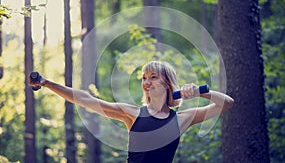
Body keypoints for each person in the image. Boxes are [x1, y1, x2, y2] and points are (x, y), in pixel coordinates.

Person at [28, 61, 234, 163]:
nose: (146, 82)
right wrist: (47, 83)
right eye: (144, 78)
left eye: (153, 77)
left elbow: (226, 103)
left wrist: (199, 92)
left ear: (167, 82)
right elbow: (86, 99)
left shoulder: (182, 119)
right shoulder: (132, 114)